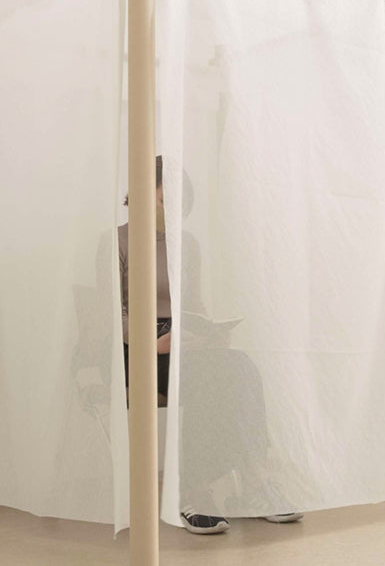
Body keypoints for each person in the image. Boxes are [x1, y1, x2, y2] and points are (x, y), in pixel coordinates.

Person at [119, 156, 303, 534]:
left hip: (182, 339)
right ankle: (195, 493)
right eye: (163, 200)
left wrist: (209, 334)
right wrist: (153, 343)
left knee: (240, 366)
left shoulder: (187, 244)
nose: (170, 210)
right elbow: (110, 315)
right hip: (134, 345)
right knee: (203, 377)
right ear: (140, 194)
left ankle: (254, 482)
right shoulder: (116, 241)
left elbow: (194, 306)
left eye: (177, 203)